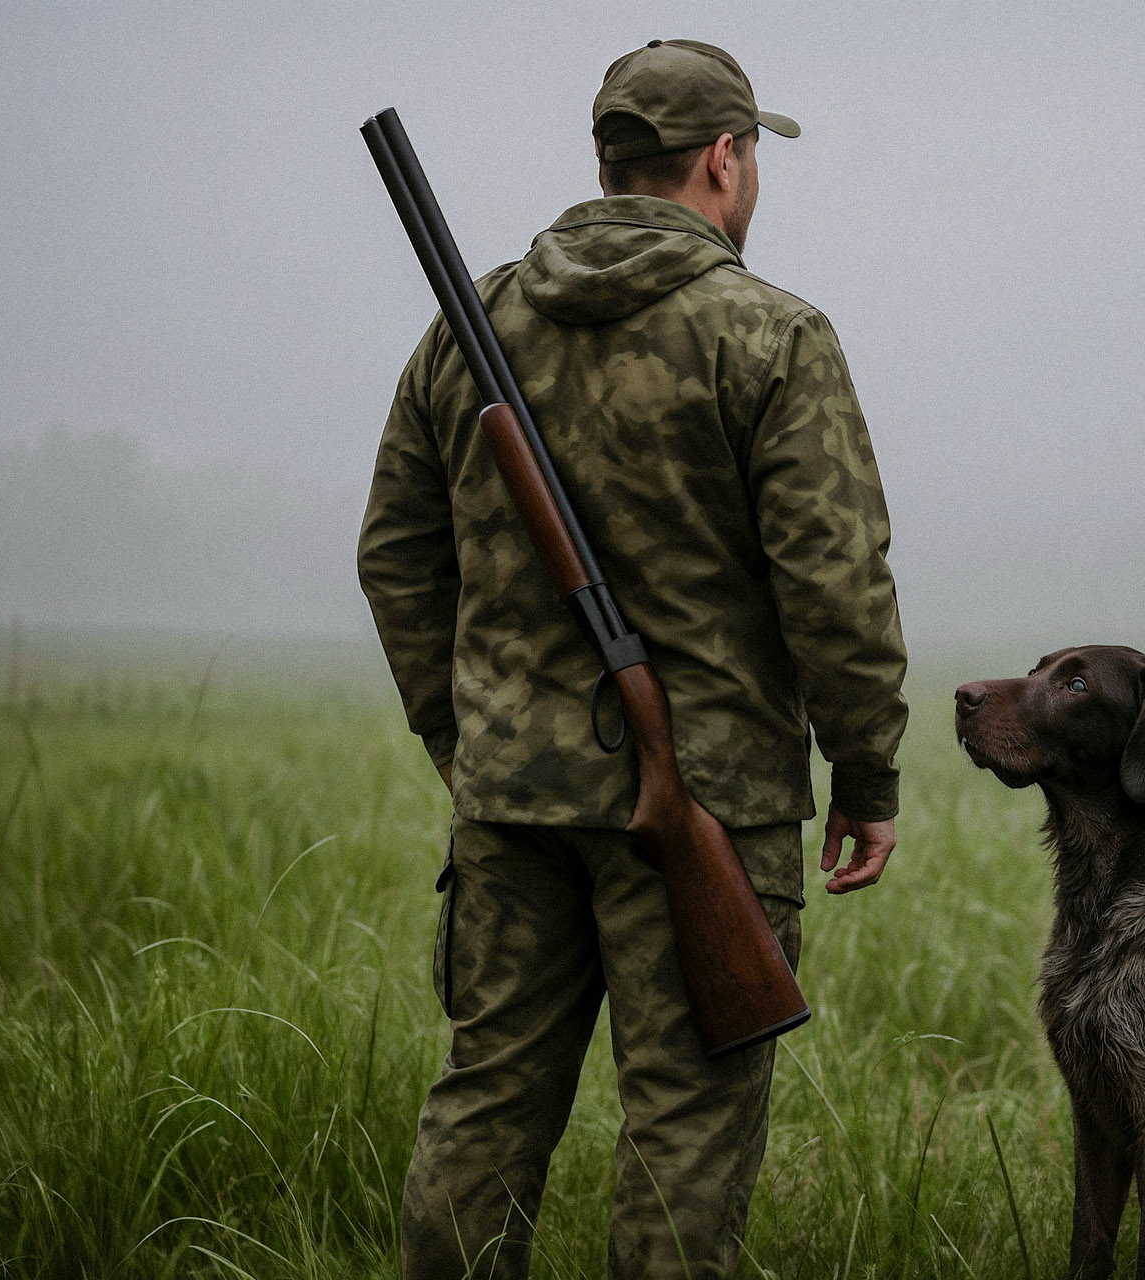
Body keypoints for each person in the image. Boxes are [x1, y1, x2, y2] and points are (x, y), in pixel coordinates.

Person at [357, 38, 909, 1280]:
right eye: (752, 153)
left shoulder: (469, 324)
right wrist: (867, 775)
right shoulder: (772, 336)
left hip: (511, 804)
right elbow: (838, 584)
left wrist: (464, 739)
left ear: (607, 165)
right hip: (716, 791)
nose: (750, 173)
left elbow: (396, 554)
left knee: (488, 1100)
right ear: (724, 159)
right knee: (686, 1133)